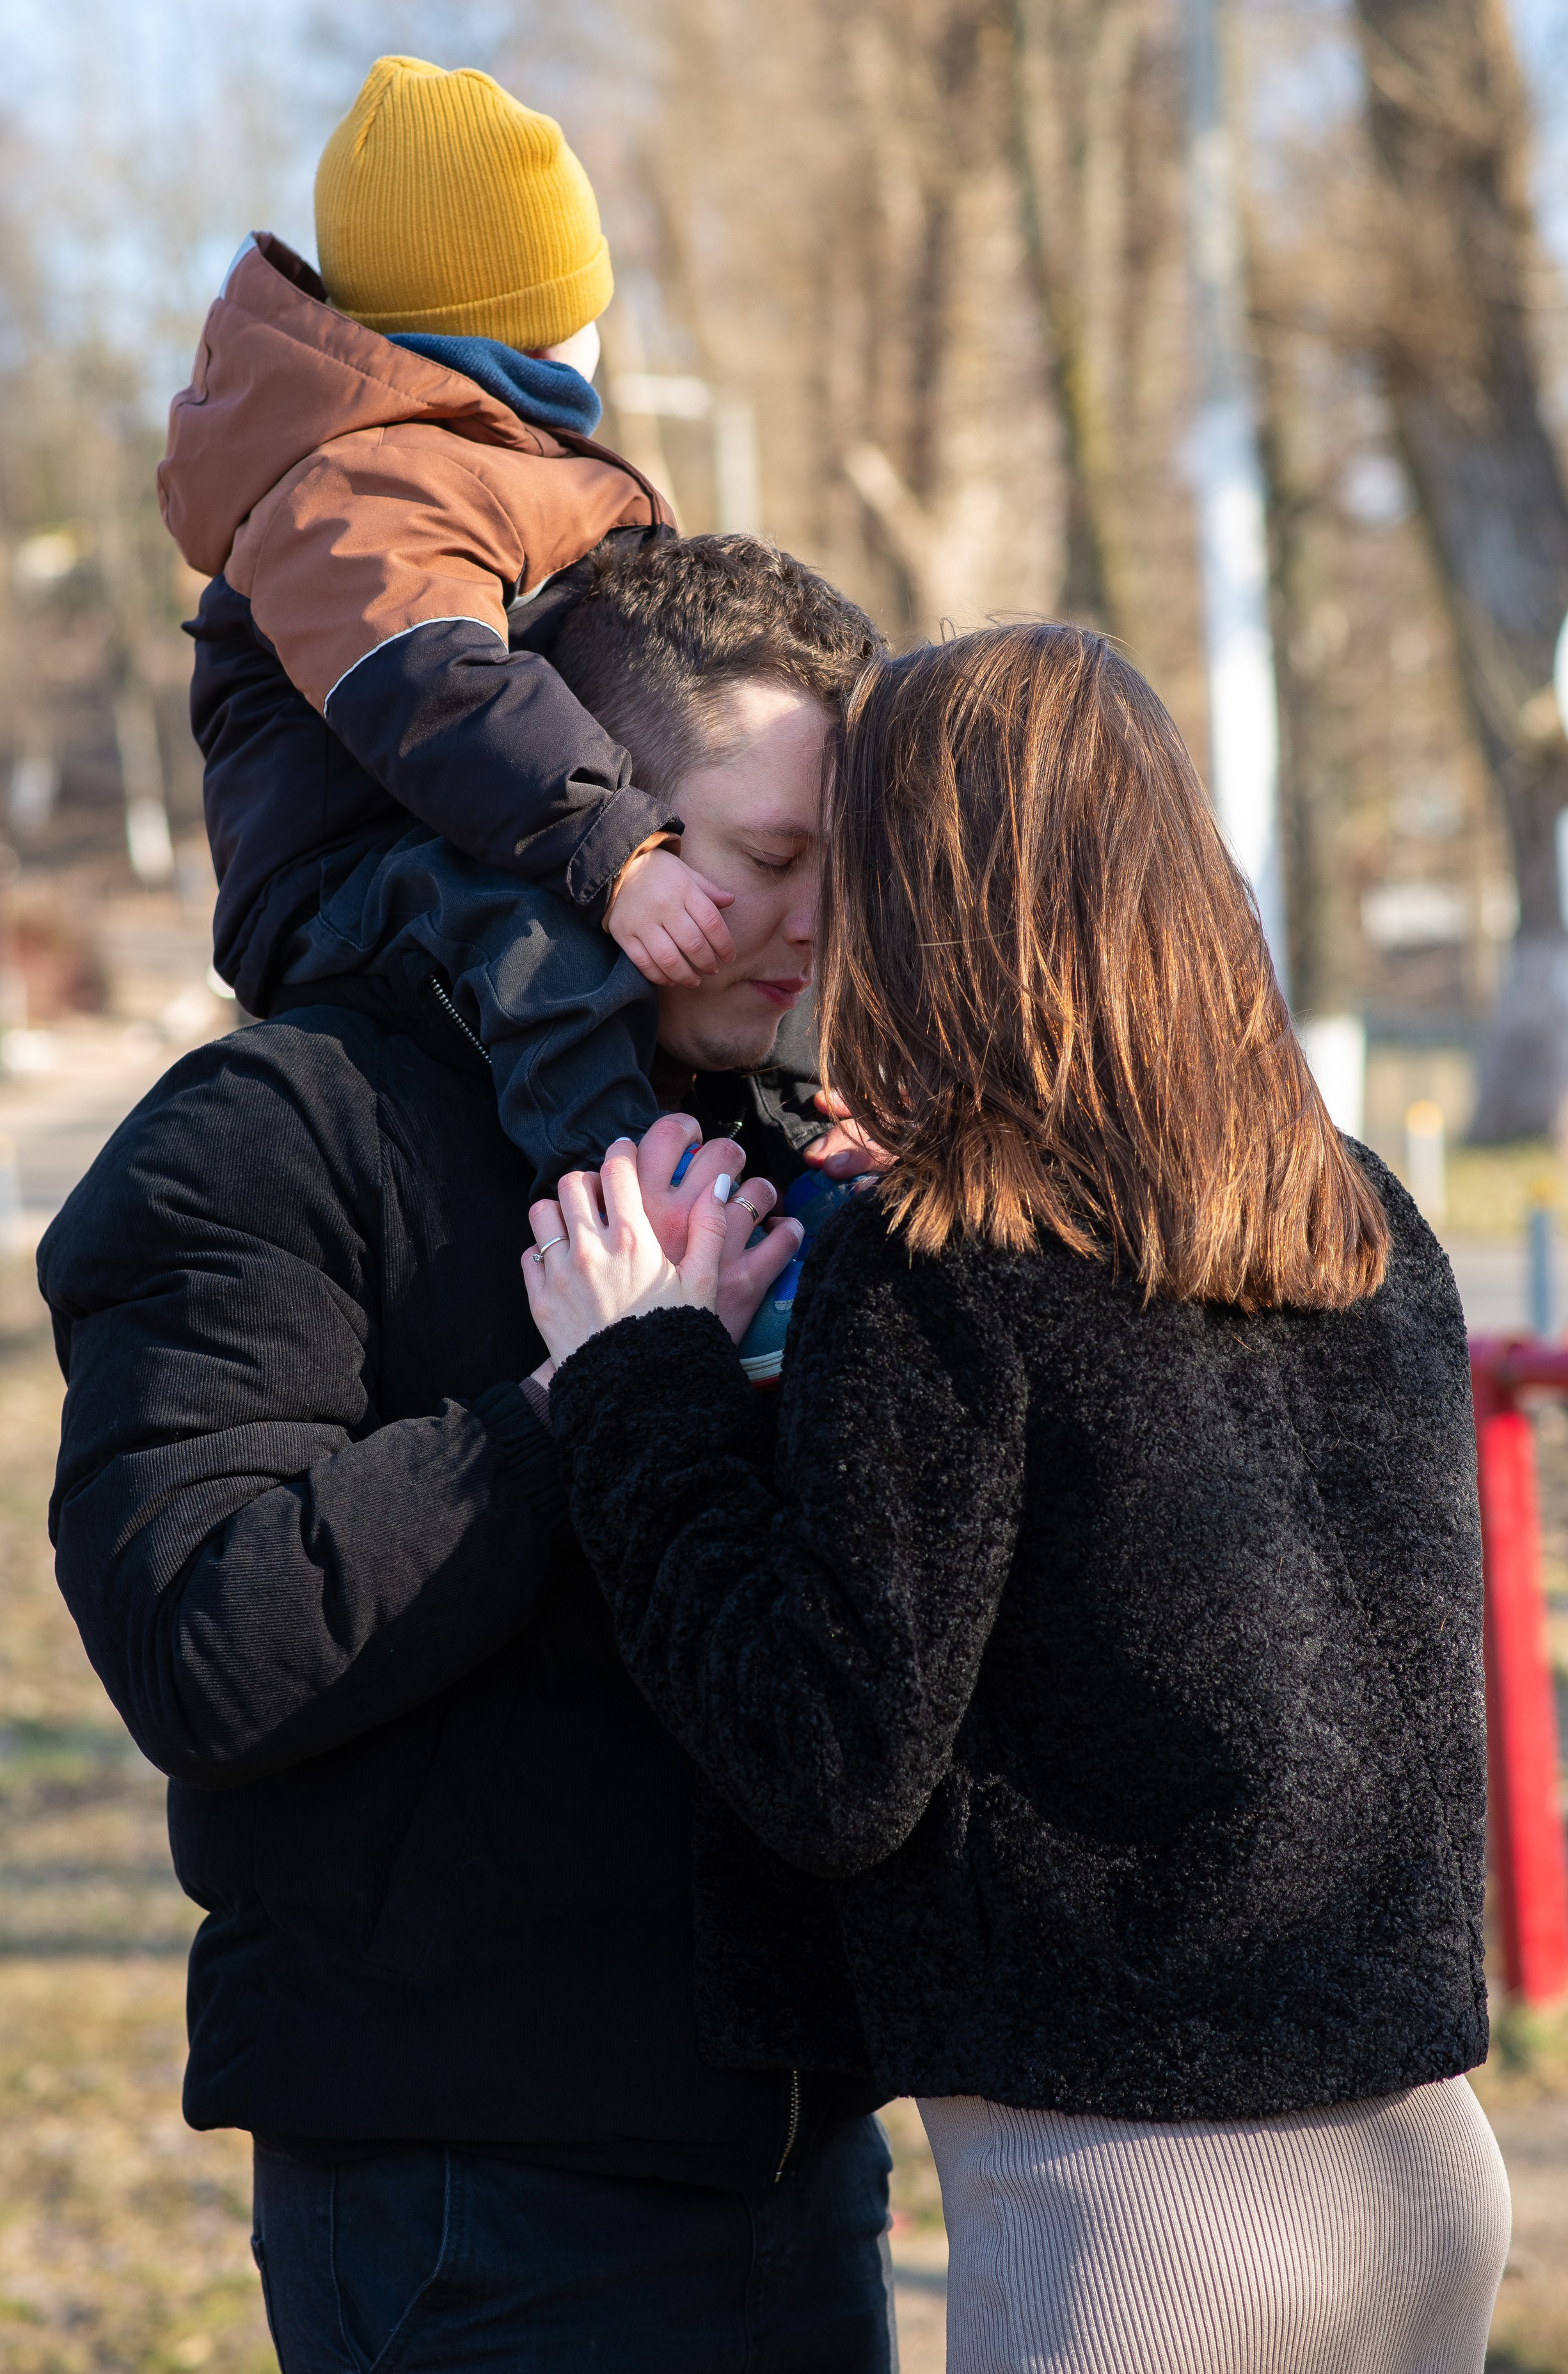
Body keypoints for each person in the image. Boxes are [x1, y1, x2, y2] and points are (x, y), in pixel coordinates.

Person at [523, 621, 1513, 2374]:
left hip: (1142, 2210)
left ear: (929, 894)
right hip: (1426, 2169)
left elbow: (829, 1757)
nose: (821, 920)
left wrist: (637, 1382)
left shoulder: (944, 1266)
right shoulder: (1351, 1210)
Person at [40, 538, 897, 2373]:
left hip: (804, 2167)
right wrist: (568, 1410)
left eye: (847, 868)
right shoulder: (275, 1130)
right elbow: (200, 1631)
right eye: (766, 861)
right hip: (469, 2191)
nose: (817, 924)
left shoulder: (788, 1138)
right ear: (597, 827)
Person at [161, 54, 762, 1194]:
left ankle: (795, 1134)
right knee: (536, 947)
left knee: (744, 908)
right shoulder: (354, 487)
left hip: (471, 824)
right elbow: (436, 687)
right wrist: (616, 849)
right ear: (527, 329)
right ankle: (633, 1201)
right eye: (579, 307)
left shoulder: (480, 456)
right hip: (343, 871)